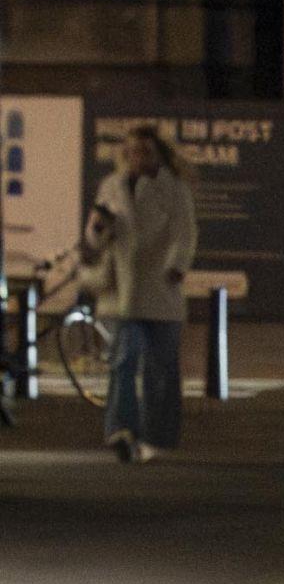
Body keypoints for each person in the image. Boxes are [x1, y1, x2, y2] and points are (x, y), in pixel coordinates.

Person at [78, 124, 197, 462]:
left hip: (160, 291)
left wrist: (177, 266)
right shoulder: (111, 186)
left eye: (145, 151)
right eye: (131, 151)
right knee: (123, 360)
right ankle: (121, 429)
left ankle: (157, 436)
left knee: (161, 369)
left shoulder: (174, 190)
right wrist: (98, 228)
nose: (137, 158)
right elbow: (95, 237)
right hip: (121, 293)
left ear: (159, 154)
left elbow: (185, 233)